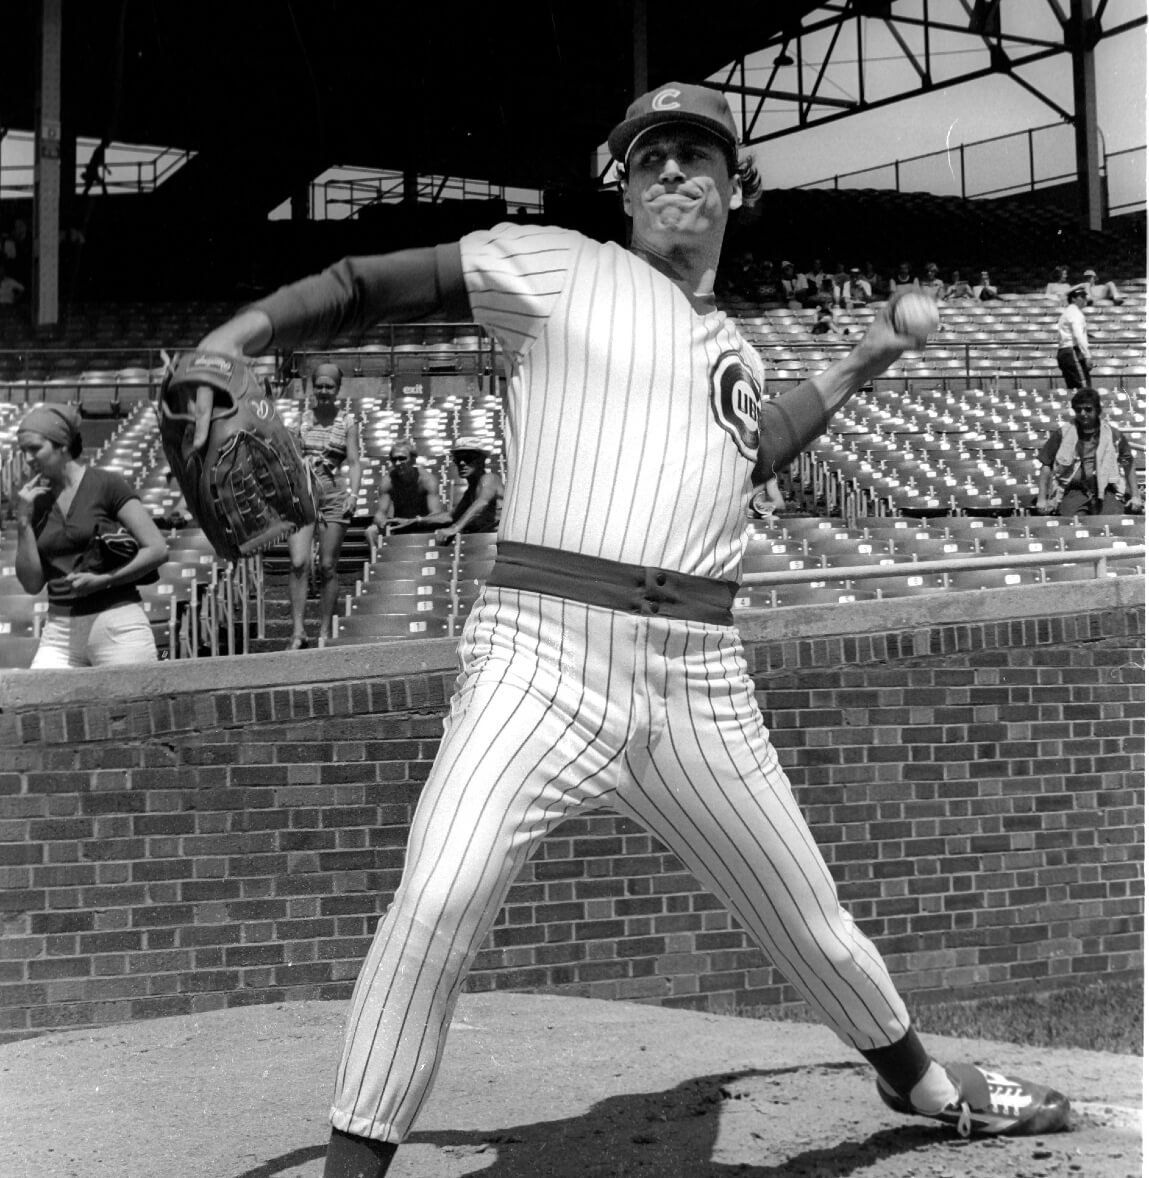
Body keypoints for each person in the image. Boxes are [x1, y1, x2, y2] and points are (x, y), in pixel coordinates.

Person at [192, 81, 1070, 1177]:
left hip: (701, 676)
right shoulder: (556, 264)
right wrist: (243, 329)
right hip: (540, 652)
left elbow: (745, 454)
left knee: (814, 925)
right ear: (623, 183)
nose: (670, 171)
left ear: (734, 185)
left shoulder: (736, 353)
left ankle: (925, 1084)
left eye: (695, 153)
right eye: (648, 156)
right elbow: (369, 284)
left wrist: (864, 356)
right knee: (439, 897)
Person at [13, 404, 167, 668]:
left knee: (131, 708)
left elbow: (157, 549)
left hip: (117, 623)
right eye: (23, 450)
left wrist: (104, 581)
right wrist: (23, 522)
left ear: (62, 445)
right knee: (40, 704)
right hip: (59, 631)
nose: (27, 458)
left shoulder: (106, 484)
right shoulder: (34, 501)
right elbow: (31, 584)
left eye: (35, 448)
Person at [285, 361, 362, 649]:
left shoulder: (347, 422)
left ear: (338, 388)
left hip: (332, 495)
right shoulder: (301, 421)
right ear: (312, 387)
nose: (324, 391)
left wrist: (353, 494)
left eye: (329, 386)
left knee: (328, 565)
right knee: (298, 562)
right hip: (302, 494)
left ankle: (325, 631)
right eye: (319, 385)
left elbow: (354, 462)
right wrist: (299, 461)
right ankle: (297, 631)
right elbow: (288, 460)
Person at [1036, 387, 1140, 516]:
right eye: (1079, 410)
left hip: (1107, 490)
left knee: (1113, 521)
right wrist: (1041, 499)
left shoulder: (1113, 434)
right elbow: (1046, 465)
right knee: (1072, 526)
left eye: (1088, 409)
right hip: (1073, 490)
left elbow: (1128, 463)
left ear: (1097, 410)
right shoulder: (1062, 433)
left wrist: (1136, 496)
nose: (1083, 413)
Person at [363, 439, 446, 553]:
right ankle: (379, 562)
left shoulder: (427, 480)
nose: (397, 463)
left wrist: (413, 521)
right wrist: (380, 519)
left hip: (423, 525)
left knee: (440, 531)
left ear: (413, 459)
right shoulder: (388, 481)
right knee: (371, 532)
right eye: (394, 459)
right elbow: (381, 511)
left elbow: (436, 514)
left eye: (402, 458)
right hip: (398, 525)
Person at [421, 436, 504, 544]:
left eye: (468, 457)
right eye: (458, 458)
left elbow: (481, 503)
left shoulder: (489, 479)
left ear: (481, 460)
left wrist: (455, 528)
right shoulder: (470, 492)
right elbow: (450, 516)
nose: (462, 463)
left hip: (496, 544)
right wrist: (417, 520)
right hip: (483, 543)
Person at [1055, 285, 1092, 390]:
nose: (1085, 299)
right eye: (1081, 296)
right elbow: (1078, 335)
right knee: (1083, 388)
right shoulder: (1075, 313)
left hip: (1064, 351)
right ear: (1073, 299)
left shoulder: (1067, 312)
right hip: (1072, 352)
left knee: (1073, 389)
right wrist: (1087, 355)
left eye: (1085, 296)